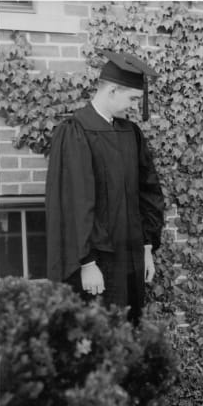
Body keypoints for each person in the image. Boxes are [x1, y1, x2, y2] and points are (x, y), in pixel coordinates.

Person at [46, 51, 165, 323]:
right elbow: (74, 203)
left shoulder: (130, 133)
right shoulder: (75, 132)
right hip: (98, 265)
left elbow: (148, 192)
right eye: (132, 98)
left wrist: (146, 248)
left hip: (131, 257)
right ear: (112, 90)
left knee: (128, 335)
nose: (134, 106)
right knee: (100, 340)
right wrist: (86, 264)